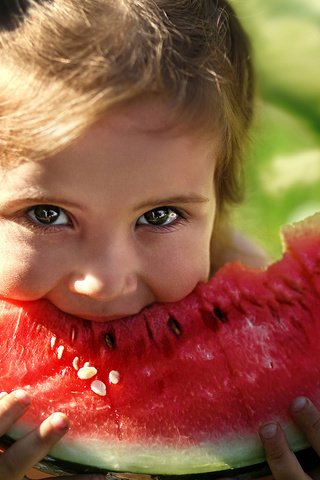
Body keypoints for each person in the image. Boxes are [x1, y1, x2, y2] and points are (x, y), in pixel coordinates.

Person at [0, 1, 318, 479]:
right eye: (48, 214)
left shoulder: (249, 291)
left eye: (159, 215)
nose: (104, 281)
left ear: (220, 196)